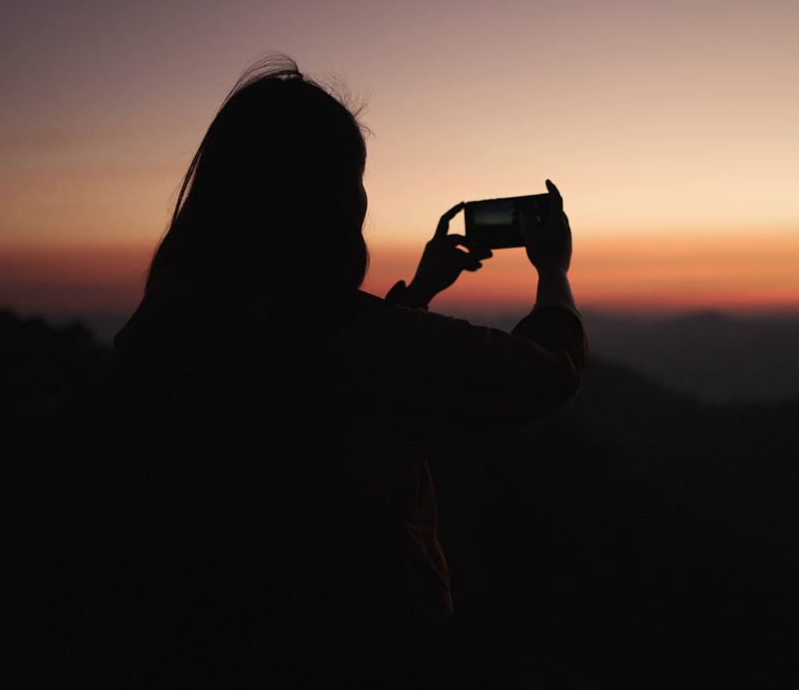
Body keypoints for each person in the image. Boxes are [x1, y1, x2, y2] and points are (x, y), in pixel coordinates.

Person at [91, 56, 587, 687]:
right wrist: (554, 271)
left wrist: (418, 294)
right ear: (324, 202)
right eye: (353, 179)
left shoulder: (164, 331)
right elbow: (548, 372)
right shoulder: (349, 345)